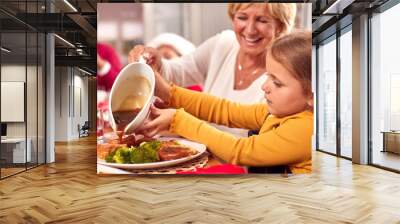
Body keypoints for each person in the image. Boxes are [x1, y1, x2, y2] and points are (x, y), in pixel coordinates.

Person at [139, 31, 313, 174]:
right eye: (268, 76)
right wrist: (168, 92)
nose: (264, 86)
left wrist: (178, 120)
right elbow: (225, 110)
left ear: (312, 96)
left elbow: (239, 150)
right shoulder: (279, 112)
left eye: (277, 83)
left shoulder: (305, 130)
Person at [129, 3, 297, 137]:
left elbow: (249, 145)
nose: (251, 30)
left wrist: (178, 121)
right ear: (233, 19)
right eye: (242, 17)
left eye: (262, 20)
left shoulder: (282, 80)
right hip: (198, 156)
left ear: (281, 26)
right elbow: (179, 71)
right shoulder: (223, 43)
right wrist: (157, 63)